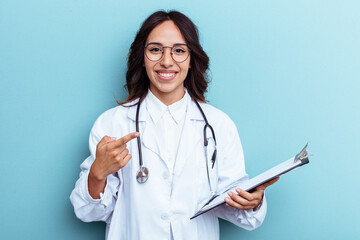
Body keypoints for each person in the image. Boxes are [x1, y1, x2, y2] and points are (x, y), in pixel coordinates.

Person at [70, 10, 278, 240]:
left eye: (179, 50)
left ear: (191, 60)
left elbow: (241, 214)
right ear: (142, 58)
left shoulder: (219, 125)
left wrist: (251, 202)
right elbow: (88, 212)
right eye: (155, 50)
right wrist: (97, 174)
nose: (166, 61)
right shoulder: (112, 123)